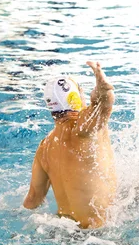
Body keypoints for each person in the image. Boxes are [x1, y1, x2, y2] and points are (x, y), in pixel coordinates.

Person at [23, 61, 117, 229]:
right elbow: (102, 105)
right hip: (97, 235)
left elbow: (33, 200)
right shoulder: (82, 131)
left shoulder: (44, 146)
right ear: (74, 100)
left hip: (64, 230)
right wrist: (104, 87)